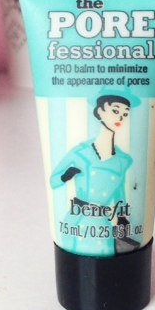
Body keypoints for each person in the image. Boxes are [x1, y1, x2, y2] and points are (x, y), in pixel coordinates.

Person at [50, 90, 140, 256]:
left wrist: (122, 217)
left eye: (125, 114)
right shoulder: (80, 152)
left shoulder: (122, 160)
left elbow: (119, 193)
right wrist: (65, 176)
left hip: (103, 224)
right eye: (115, 111)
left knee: (108, 252)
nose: (120, 118)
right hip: (77, 223)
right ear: (100, 111)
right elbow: (53, 180)